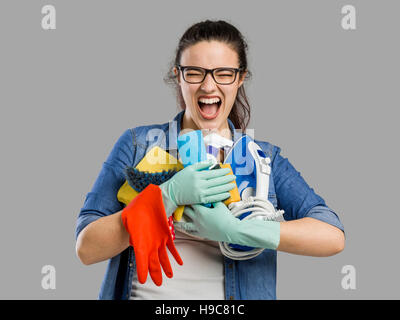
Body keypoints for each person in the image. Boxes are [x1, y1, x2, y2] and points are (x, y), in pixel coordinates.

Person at [75, 20, 345, 300]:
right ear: (178, 76)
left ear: (240, 78)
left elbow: (332, 236)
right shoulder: (138, 145)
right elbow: (87, 248)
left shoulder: (264, 160)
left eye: (224, 73)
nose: (208, 85)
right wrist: (165, 197)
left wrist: (239, 230)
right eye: (194, 73)